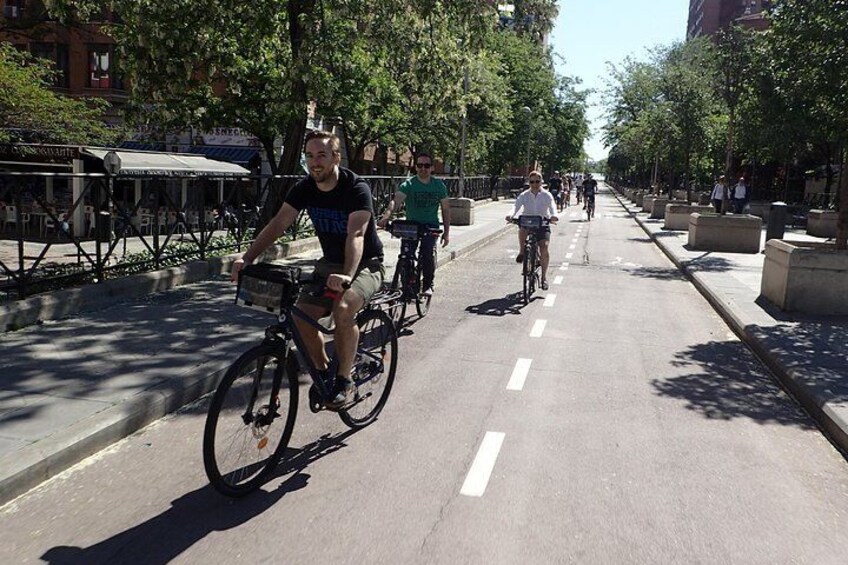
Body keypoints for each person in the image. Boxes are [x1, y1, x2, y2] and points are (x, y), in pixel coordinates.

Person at [231, 130, 384, 409]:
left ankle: (343, 380)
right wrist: (248, 258)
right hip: (329, 266)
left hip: (365, 264)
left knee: (343, 309)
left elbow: (357, 235)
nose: (315, 162)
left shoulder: (356, 188)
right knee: (300, 317)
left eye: (322, 155)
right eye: (310, 156)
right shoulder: (304, 188)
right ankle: (324, 373)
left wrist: (348, 275)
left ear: (336, 158)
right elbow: (278, 224)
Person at [377, 152, 450, 297]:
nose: (423, 168)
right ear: (416, 167)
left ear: (432, 168)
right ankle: (408, 286)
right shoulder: (409, 184)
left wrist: (447, 232)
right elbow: (395, 202)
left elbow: (446, 209)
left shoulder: (439, 186)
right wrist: (386, 217)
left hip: (430, 226)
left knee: (427, 253)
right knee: (406, 255)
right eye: (420, 165)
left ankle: (428, 284)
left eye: (427, 165)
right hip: (411, 226)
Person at [505, 170, 558, 290]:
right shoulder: (524, 195)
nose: (535, 184)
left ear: (541, 182)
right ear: (529, 182)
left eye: (537, 181)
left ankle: (544, 278)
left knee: (544, 247)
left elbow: (552, 206)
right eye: (532, 181)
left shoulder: (546, 195)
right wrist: (510, 215)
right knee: (522, 229)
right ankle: (522, 251)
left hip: (542, 223)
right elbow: (515, 206)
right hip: (527, 222)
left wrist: (554, 215)